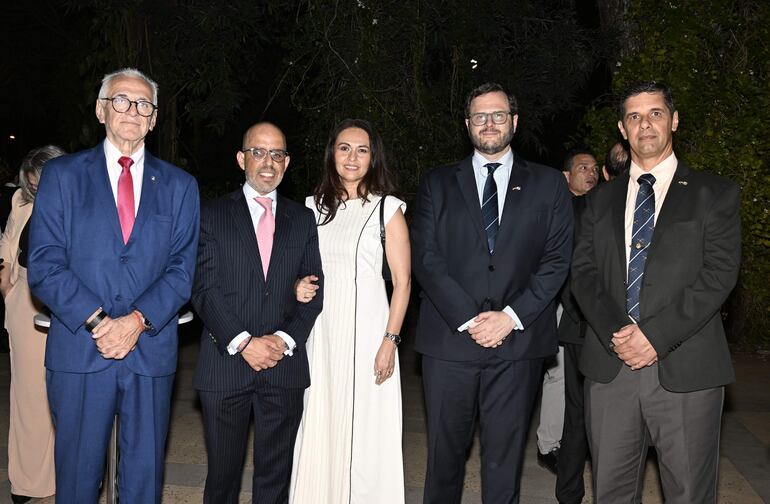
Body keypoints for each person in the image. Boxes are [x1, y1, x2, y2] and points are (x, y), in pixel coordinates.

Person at [27, 68, 200, 503]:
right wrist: (102, 322)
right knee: (78, 481)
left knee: (143, 482)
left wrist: (138, 321)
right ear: (102, 110)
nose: (133, 111)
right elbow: (45, 264)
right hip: (80, 350)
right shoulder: (62, 177)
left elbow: (182, 269)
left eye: (144, 104)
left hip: (149, 350)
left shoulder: (180, 186)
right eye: (121, 100)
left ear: (154, 119)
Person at [572, 81, 741, 503]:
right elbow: (584, 275)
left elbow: (719, 275)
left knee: (689, 493)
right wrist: (620, 334)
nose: (644, 124)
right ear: (622, 129)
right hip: (611, 368)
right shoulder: (600, 201)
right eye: (634, 117)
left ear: (674, 120)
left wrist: (654, 337)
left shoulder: (713, 193)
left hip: (686, 371)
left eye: (655, 114)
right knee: (610, 493)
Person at [411, 82, 573, 503]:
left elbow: (556, 261)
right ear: (467, 124)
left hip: (518, 343)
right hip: (450, 342)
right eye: (480, 116)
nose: (489, 123)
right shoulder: (436, 183)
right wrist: (469, 318)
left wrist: (510, 317)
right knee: (444, 460)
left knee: (504, 462)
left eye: (498, 114)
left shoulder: (549, 184)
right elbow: (426, 258)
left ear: (514, 122)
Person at [192, 122, 324, 504]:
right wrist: (243, 342)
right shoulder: (211, 214)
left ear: (287, 162)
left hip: (283, 367)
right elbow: (203, 289)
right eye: (259, 152)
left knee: (275, 478)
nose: (268, 162)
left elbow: (313, 292)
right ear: (241, 158)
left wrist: (282, 341)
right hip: (225, 364)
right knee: (222, 477)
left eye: (277, 154)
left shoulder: (302, 219)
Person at [290, 118, 410, 504]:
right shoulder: (311, 207)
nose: (352, 157)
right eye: (344, 148)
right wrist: (297, 285)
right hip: (322, 333)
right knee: (320, 418)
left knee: (369, 429)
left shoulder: (387, 208)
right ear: (332, 154)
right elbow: (295, 269)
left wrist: (390, 341)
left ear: (373, 157)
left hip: (371, 332)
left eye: (362, 149)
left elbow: (403, 282)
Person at [0, 145, 64, 503]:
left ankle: (66, 474)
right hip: (26, 304)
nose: (38, 187)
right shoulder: (21, 204)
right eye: (33, 182)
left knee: (67, 396)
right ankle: (27, 482)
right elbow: (6, 245)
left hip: (72, 308)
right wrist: (8, 288)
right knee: (29, 396)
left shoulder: (82, 205)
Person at [536, 148, 599, 475]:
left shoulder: (600, 206)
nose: (590, 172)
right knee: (558, 375)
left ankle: (575, 441)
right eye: (583, 167)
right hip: (559, 302)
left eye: (594, 167)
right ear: (566, 176)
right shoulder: (556, 208)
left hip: (589, 306)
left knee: (581, 378)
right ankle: (549, 445)